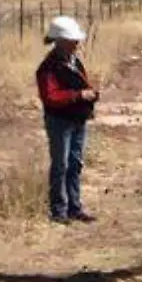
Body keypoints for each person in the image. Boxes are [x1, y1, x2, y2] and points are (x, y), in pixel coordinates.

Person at [36, 15, 100, 225]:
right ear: (61, 41)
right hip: (59, 122)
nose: (77, 43)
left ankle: (75, 207)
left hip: (76, 120)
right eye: (73, 40)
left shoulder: (74, 62)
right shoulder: (48, 68)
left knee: (75, 164)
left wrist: (88, 95)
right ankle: (59, 211)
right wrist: (79, 96)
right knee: (61, 164)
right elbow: (51, 98)